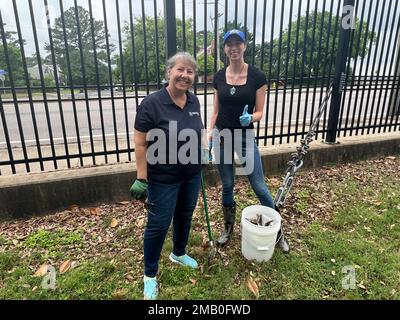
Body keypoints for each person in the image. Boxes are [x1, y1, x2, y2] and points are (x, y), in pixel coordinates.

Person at [129, 52, 206, 300]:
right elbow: (140, 143)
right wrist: (142, 177)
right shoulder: (151, 103)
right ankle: (149, 275)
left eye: (190, 71)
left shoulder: (194, 101)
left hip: (191, 174)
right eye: (180, 70)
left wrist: (204, 151)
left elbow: (199, 130)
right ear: (169, 72)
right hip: (162, 178)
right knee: (158, 225)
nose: (184, 75)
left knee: (184, 215)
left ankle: (179, 253)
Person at [209, 29, 290, 252]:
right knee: (227, 184)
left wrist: (250, 117)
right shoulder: (218, 77)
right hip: (222, 136)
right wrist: (209, 134)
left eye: (238, 43)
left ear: (245, 46)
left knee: (259, 186)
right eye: (229, 44)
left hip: (245, 136)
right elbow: (215, 111)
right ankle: (228, 228)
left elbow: (260, 112)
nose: (234, 47)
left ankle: (278, 232)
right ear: (225, 49)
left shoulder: (257, 77)